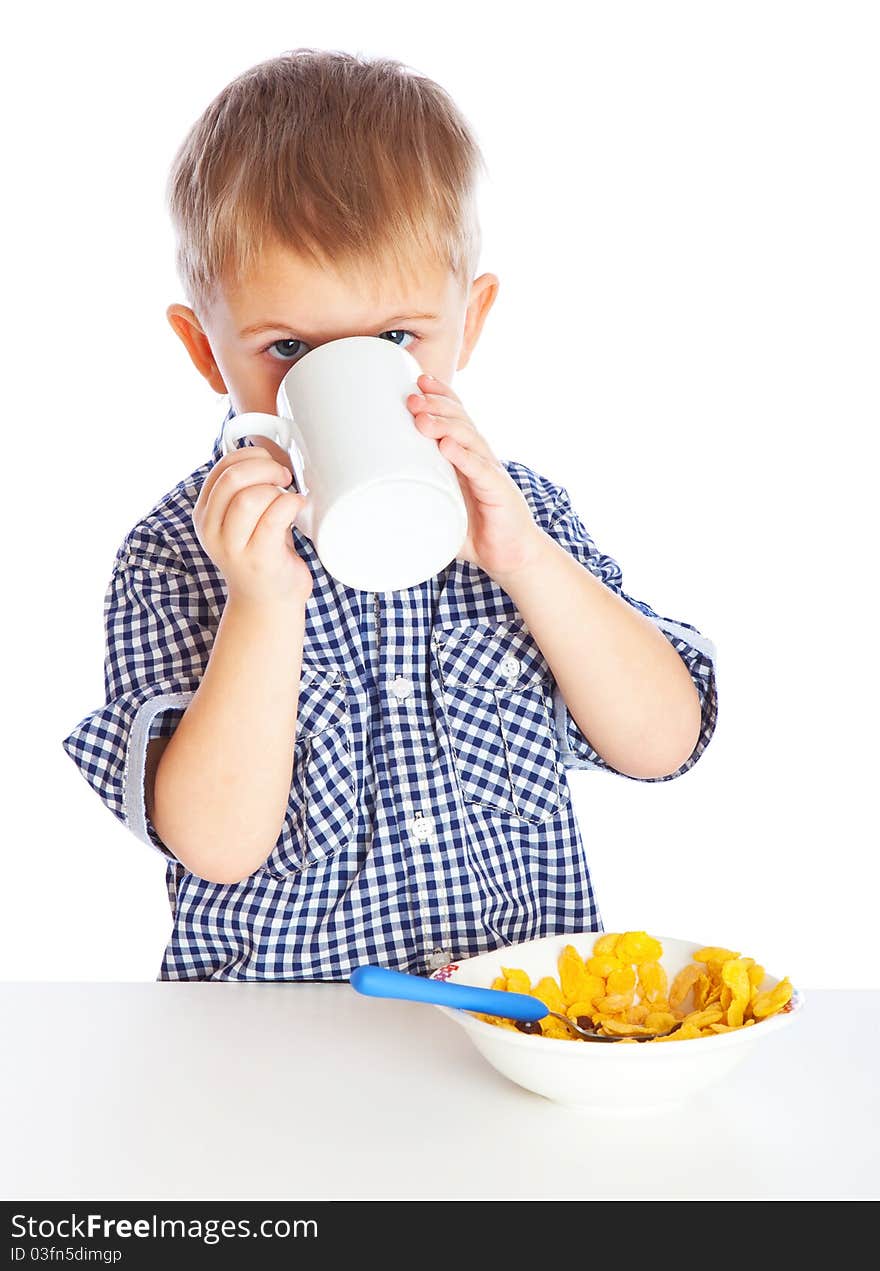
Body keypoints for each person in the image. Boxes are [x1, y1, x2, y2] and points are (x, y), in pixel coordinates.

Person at [62, 49, 717, 982]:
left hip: (509, 1035)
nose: (343, 375)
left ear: (471, 323)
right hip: (275, 1056)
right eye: (289, 346)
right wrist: (262, 609)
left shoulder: (520, 521)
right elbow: (212, 845)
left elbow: (663, 745)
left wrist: (527, 561)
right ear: (206, 352)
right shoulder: (177, 554)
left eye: (396, 338)